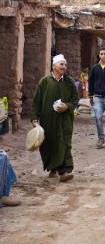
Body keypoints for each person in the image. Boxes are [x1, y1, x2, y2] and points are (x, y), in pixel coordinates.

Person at [31, 54, 79, 182]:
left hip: (65, 120)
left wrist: (67, 106)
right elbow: (37, 102)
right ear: (54, 66)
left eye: (65, 65)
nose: (64, 67)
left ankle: (65, 171)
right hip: (48, 120)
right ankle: (53, 168)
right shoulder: (44, 82)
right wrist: (34, 118)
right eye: (61, 64)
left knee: (65, 142)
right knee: (50, 143)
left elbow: (75, 100)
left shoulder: (69, 82)